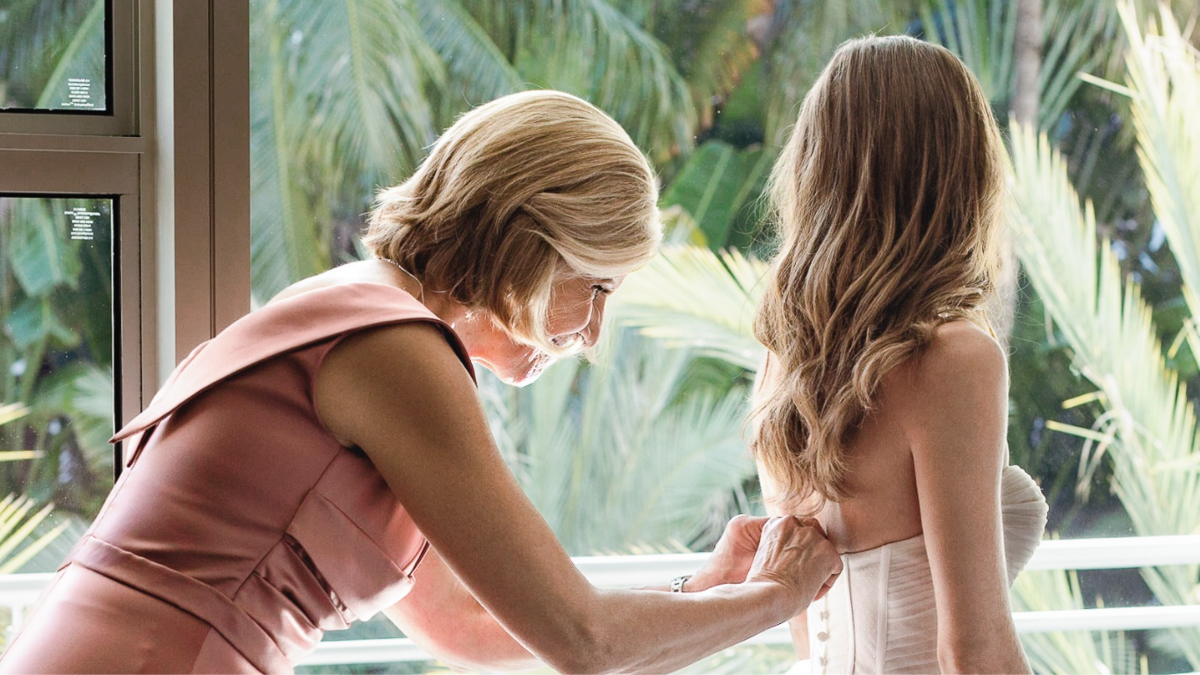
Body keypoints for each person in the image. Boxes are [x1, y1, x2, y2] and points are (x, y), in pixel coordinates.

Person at [0, 90, 842, 675]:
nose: (591, 334)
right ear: (529, 238)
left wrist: (705, 589)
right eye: (597, 286)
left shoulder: (358, 309)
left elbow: (469, 628)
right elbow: (583, 640)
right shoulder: (396, 349)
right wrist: (782, 596)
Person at [750, 37, 1048, 675]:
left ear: (814, 170)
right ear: (961, 170)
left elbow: (804, 628)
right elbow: (974, 650)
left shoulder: (785, 363)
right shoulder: (952, 359)